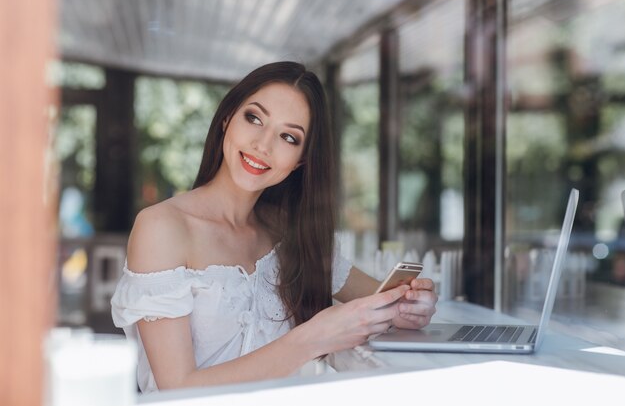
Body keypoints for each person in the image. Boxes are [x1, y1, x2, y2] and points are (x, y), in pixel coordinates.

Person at [111, 61, 437, 393]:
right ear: (227, 118)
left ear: (301, 161)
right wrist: (313, 337)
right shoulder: (162, 228)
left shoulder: (291, 233)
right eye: (254, 118)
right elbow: (178, 387)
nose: (262, 145)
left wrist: (409, 306)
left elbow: (384, 299)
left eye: (288, 137)